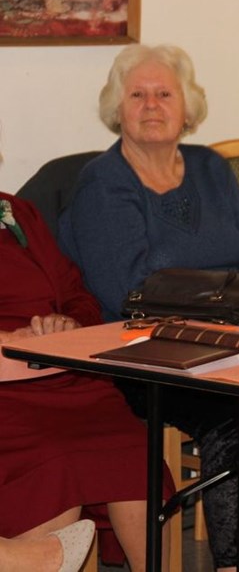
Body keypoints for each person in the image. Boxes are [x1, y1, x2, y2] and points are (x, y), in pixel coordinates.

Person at [57, 44, 239, 572]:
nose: (152, 105)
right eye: (137, 95)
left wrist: (210, 306)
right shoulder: (104, 182)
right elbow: (126, 293)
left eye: (165, 94)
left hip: (235, 340)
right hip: (141, 357)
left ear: (187, 107)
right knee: (235, 415)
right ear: (117, 108)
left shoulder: (211, 167)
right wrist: (222, 300)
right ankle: (234, 564)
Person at [0, 190, 173, 571]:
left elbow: (76, 292)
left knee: (133, 449)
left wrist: (69, 322)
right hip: (6, 391)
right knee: (54, 459)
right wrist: (11, 339)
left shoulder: (18, 212)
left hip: (63, 374)